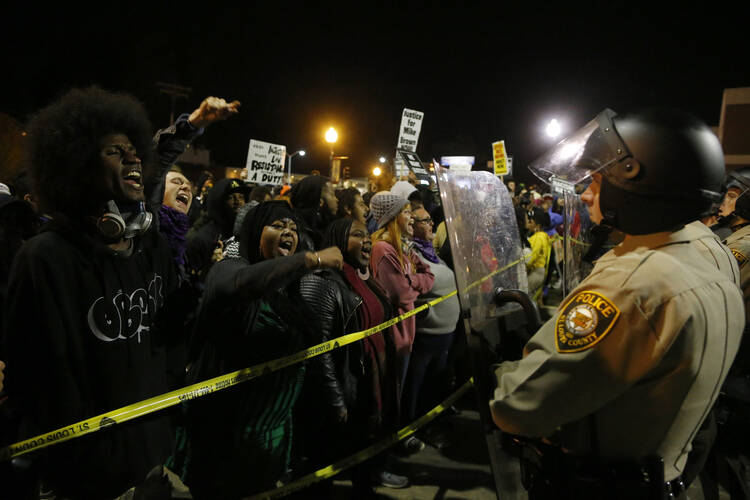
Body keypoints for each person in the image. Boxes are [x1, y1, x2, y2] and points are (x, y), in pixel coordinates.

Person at [490, 108, 744, 499]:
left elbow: (517, 406)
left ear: (635, 181)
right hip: (666, 475)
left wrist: (505, 368)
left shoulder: (631, 285)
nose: (586, 191)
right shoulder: (715, 255)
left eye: (594, 178)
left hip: (598, 484)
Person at [2, 86, 189, 498]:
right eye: (114, 152)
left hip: (153, 462)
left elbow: (169, 347)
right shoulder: (45, 258)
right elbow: (29, 378)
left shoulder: (152, 246)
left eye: (133, 150)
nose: (133, 158)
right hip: (84, 479)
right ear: (78, 168)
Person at [173, 200, 343, 499]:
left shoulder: (288, 289)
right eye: (277, 226)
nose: (288, 232)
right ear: (253, 232)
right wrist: (309, 259)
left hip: (271, 433)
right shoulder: (230, 268)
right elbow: (239, 285)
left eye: (293, 228)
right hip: (225, 435)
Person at [297, 218, 406, 493]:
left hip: (370, 386)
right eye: (358, 235)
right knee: (324, 472)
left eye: (368, 235)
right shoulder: (322, 280)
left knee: (363, 463)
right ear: (338, 241)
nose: (368, 240)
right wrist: (336, 399)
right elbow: (318, 349)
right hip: (346, 392)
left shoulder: (362, 277)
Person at [368, 192, 434, 452]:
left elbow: (426, 273)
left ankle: (391, 448)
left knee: (397, 394)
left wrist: (412, 281)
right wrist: (413, 284)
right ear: (393, 217)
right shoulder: (382, 250)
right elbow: (401, 293)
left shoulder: (400, 248)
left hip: (405, 336)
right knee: (390, 398)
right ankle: (384, 457)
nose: (411, 218)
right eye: (406, 212)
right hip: (394, 339)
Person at [403, 207, 460, 451]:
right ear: (412, 225)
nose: (431, 224)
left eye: (430, 220)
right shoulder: (411, 255)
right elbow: (407, 290)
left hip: (444, 336)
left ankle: (429, 425)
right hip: (425, 337)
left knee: (434, 386)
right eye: (425, 221)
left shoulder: (432, 253)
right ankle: (409, 431)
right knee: (416, 389)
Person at [185, 177, 250, 279]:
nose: (238, 202)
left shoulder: (245, 235)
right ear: (218, 202)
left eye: (241, 197)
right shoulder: (202, 239)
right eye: (231, 197)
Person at [289, 175, 338, 250]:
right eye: (332, 194)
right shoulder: (298, 233)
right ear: (320, 201)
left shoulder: (326, 226)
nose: (336, 199)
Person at [524, 207, 551, 301]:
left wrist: (524, 267)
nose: (528, 224)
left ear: (538, 226)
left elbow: (532, 257)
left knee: (525, 297)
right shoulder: (543, 236)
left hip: (535, 272)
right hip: (539, 272)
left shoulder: (538, 237)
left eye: (531, 222)